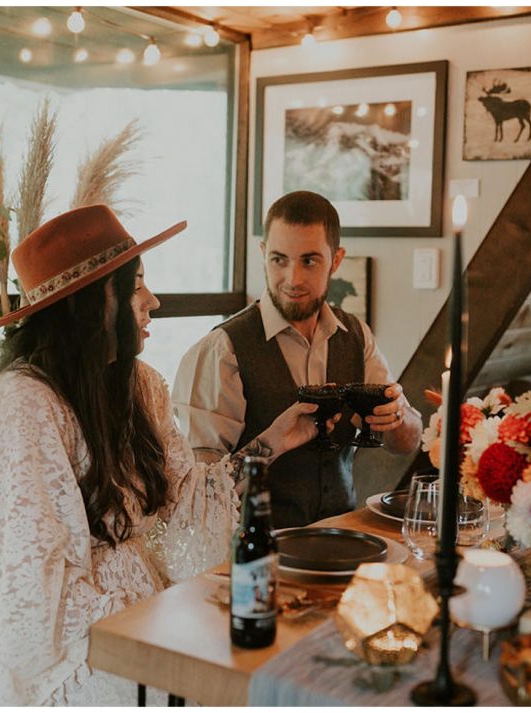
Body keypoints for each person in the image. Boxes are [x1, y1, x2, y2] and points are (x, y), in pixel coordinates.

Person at [0, 205, 321, 705]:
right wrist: (158, 623)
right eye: (135, 287)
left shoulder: (138, 384)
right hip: (73, 649)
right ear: (89, 304)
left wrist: (275, 440)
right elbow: (32, 599)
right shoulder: (25, 406)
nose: (153, 301)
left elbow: (186, 500)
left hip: (143, 612)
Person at [174, 191, 422, 528]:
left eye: (309, 261)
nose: (292, 279)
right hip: (253, 552)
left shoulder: (356, 336)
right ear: (263, 255)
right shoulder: (222, 350)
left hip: (341, 538)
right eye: (279, 260)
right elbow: (198, 493)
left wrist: (400, 417)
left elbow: (405, 444)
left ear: (335, 260)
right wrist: (272, 442)